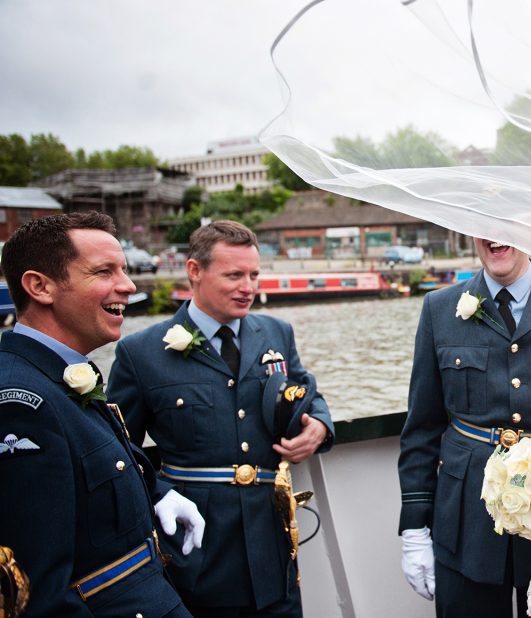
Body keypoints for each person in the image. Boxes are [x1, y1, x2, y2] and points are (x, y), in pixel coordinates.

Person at [107, 220, 335, 617]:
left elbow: (305, 394)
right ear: (195, 271)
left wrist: (318, 425)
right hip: (197, 549)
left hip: (273, 541)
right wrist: (159, 495)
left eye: (254, 274)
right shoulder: (140, 352)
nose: (248, 286)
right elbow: (119, 451)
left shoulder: (276, 332)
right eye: (234, 275)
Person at [0, 212, 204, 617]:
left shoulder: (62, 374)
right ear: (40, 286)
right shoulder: (20, 403)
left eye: (124, 270)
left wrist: (159, 493)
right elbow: (41, 596)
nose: (128, 286)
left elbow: (98, 472)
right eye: (104, 271)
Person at [398, 239, 531, 617]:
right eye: (483, 225)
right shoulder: (440, 308)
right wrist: (414, 526)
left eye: (506, 223)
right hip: (468, 521)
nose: (495, 235)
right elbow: (422, 427)